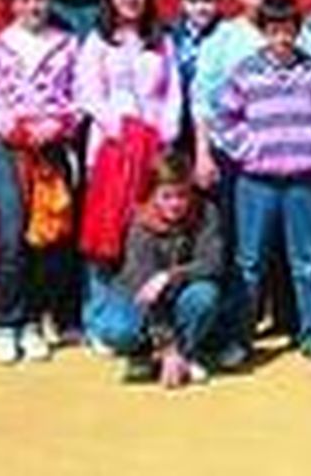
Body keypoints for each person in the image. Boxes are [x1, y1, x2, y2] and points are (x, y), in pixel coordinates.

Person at [216, 0, 311, 370]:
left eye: (288, 31)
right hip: (256, 182)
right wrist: (249, 150)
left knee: (307, 263)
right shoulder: (245, 72)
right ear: (264, 33)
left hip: (303, 181)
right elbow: (224, 120)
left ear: (297, 31)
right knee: (249, 263)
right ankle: (240, 338)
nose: (282, 39)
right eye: (273, 31)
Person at [75, 0, 184, 343]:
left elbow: (173, 94)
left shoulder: (161, 41)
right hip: (111, 150)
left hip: (153, 152)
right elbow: (88, 93)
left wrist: (164, 134)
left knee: (141, 233)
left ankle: (136, 322)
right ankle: (98, 320)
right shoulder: (98, 41)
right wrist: (120, 129)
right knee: (105, 233)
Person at [0, 0, 82, 363]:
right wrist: (7, 125)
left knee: (48, 235)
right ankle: (4, 321)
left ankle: (33, 318)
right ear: (10, 3)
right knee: (12, 231)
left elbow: (82, 96)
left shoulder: (68, 44)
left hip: (52, 147)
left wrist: (58, 123)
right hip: (4, 147)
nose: (33, 6)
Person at [89, 152, 223, 388]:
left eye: (182, 195)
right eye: (166, 196)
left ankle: (185, 353)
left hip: (182, 293)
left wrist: (168, 276)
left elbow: (213, 262)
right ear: (154, 194)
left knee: (206, 295)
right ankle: (146, 354)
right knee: (115, 330)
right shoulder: (141, 224)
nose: (175, 203)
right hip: (141, 300)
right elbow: (147, 292)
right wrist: (167, 346)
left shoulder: (207, 213)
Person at [189, 0, 279, 195]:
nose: (260, 1)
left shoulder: (298, 36)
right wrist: (203, 153)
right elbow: (202, 100)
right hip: (231, 152)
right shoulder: (222, 37)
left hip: (282, 153)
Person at [166, 0, 222, 126]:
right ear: (182, 4)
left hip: (216, 119)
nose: (201, 8)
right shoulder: (170, 36)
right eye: (193, 2)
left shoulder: (228, 35)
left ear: (218, 1)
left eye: (207, 1)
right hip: (178, 118)